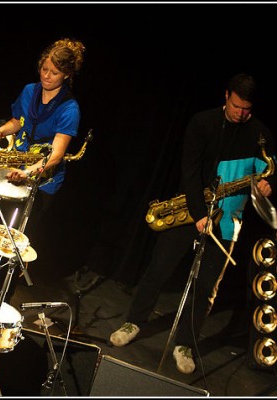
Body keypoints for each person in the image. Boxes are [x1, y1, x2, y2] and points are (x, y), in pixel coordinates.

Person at [109, 73, 276, 374]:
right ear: (226, 96)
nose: (241, 114)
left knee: (205, 288)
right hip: (191, 209)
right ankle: (134, 321)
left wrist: (269, 183)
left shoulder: (260, 133)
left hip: (228, 220)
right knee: (159, 268)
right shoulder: (202, 122)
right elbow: (189, 169)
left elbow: (269, 171)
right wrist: (200, 213)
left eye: (247, 109)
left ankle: (184, 343)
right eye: (237, 106)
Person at [0, 37, 86, 302]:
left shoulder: (69, 108)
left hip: (42, 180)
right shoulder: (30, 90)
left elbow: (57, 155)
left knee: (19, 237)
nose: (47, 76)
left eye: (55, 73)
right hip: (16, 167)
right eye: (44, 69)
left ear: (68, 74)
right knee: (1, 227)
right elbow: (18, 121)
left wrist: (29, 173)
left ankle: (3, 295)